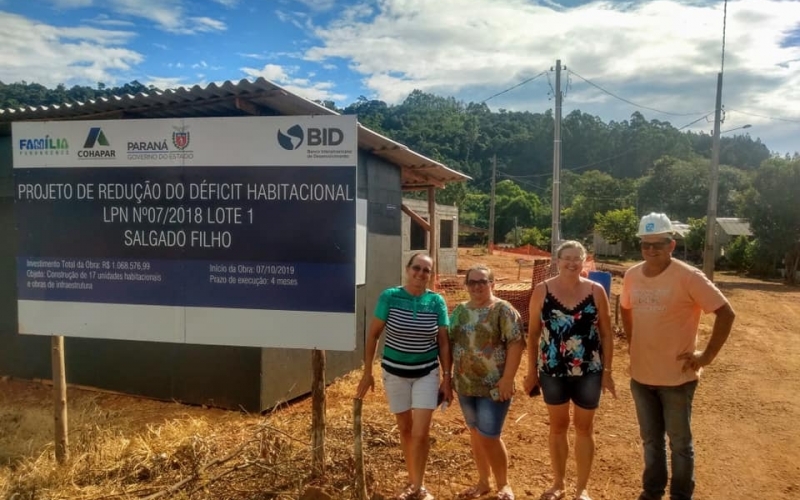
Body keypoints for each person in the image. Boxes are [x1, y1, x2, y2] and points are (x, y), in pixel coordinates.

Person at [621, 213, 735, 500]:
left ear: (671, 244)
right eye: (646, 244)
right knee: (650, 442)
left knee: (680, 444)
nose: (651, 250)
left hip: (677, 378)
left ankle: (681, 496)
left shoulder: (688, 277)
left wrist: (706, 356)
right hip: (641, 376)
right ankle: (652, 492)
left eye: (658, 243)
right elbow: (625, 307)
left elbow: (725, 313)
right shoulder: (632, 274)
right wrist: (634, 342)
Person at [524, 240, 616, 500]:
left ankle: (582, 488)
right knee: (558, 426)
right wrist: (531, 372)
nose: (572, 263)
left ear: (584, 261)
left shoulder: (597, 291)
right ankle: (558, 483)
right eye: (567, 258)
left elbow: (607, 335)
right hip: (552, 370)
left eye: (577, 258)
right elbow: (532, 335)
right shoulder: (542, 290)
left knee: (585, 429)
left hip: (589, 370)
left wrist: (607, 371)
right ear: (557, 260)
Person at [355, 252, 452, 500]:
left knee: (421, 432)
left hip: (426, 373)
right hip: (394, 373)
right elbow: (373, 335)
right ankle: (412, 480)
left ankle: (418, 487)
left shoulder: (436, 302)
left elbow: (443, 342)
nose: (420, 273)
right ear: (408, 270)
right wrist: (368, 373)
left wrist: (447, 378)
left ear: (431, 275)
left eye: (426, 270)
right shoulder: (390, 297)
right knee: (405, 429)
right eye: (416, 268)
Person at [447, 265, 525, 500]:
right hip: (465, 385)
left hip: (494, 386)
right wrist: (447, 376)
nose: (477, 286)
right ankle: (483, 482)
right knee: (475, 433)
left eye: (483, 281)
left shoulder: (503, 310)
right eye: (472, 282)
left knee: (490, 435)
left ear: (493, 284)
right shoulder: (460, 311)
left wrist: (508, 379)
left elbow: (516, 343)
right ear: (466, 285)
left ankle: (504, 485)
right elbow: (451, 343)